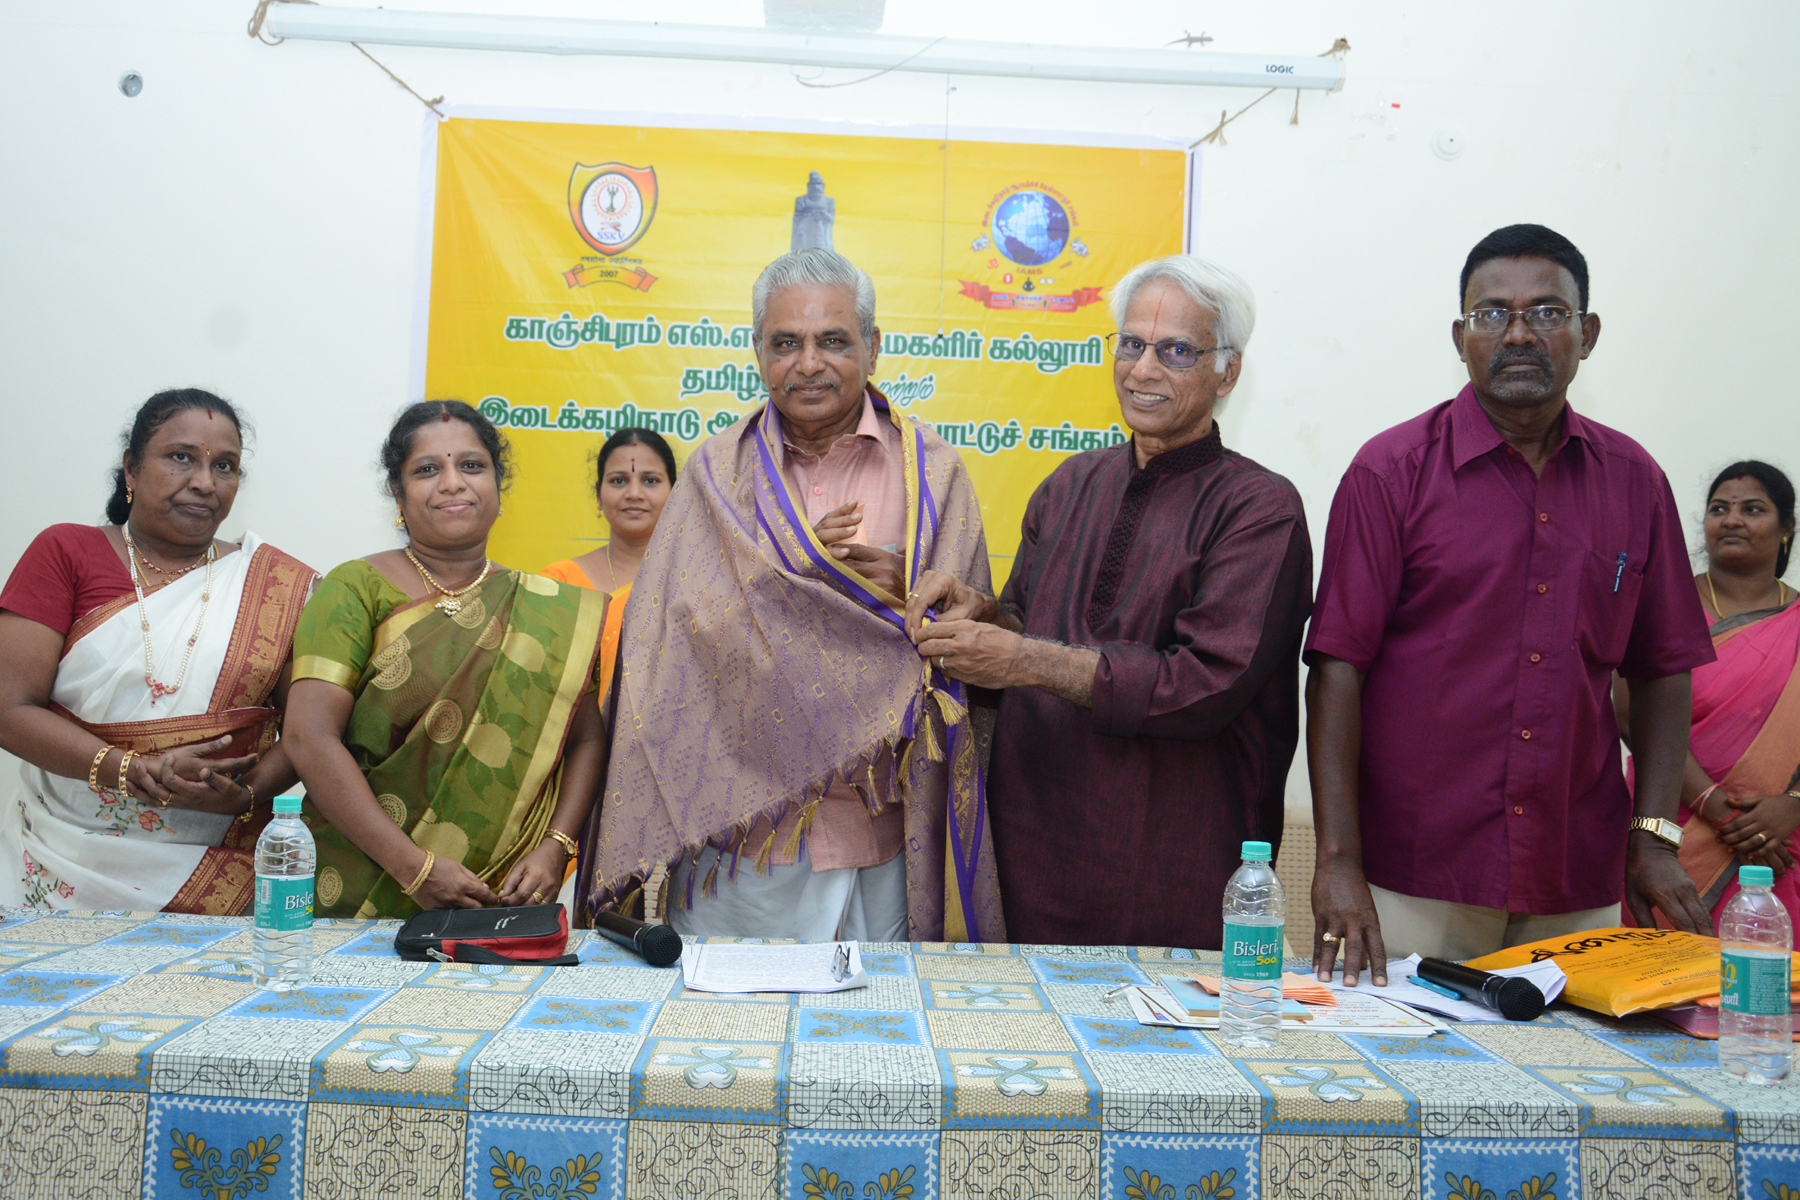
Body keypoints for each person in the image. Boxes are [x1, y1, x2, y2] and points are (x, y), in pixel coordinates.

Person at [1306, 224, 1716, 984]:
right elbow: (1336, 670)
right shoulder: (1390, 473)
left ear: (1588, 334)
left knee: (1573, 1062)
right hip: (1414, 873)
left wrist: (1654, 838)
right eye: (1492, 313)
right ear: (1459, 336)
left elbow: (1663, 671)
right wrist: (1336, 860)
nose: (1519, 334)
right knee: (1398, 1061)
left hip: (1576, 873)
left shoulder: (1635, 481)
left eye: (1548, 312)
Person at [580, 247, 1003, 943]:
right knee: (723, 1015)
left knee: (875, 1013)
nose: (808, 364)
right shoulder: (714, 475)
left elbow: (975, 648)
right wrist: (795, 576)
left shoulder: (933, 473)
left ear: (873, 347)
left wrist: (908, 597)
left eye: (832, 341)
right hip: (738, 841)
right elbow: (668, 649)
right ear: (757, 351)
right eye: (786, 343)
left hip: (879, 836)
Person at [909, 255, 1312, 950]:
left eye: (1176, 351)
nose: (1143, 370)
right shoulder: (1069, 485)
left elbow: (1203, 686)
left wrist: (1022, 659)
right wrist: (981, 615)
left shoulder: (1259, 508)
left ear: (1228, 373)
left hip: (1173, 862)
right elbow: (1028, 624)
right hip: (1033, 853)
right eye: (1131, 344)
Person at [284, 401, 610, 918]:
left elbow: (587, 739)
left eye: (472, 466)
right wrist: (413, 868)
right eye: (427, 470)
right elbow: (309, 737)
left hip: (498, 898)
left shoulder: (548, 611)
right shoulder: (355, 588)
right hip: (361, 884)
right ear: (398, 493)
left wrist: (556, 846)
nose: (453, 483)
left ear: (498, 487)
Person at [0, 389, 314, 913]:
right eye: (181, 457)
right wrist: (129, 769)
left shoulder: (275, 585)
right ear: (131, 467)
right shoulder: (66, 552)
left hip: (218, 868)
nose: (204, 482)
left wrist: (247, 794)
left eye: (225, 466)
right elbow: (10, 710)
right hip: (63, 860)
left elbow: (308, 731)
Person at [1618, 461, 1800, 926]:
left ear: (1787, 529)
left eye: (1752, 509)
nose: (1732, 519)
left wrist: (1793, 806)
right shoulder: (1662, 605)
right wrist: (1715, 807)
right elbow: (1629, 711)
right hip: (1665, 828)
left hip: (1779, 841)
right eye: (1719, 509)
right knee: (1657, 959)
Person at [541, 427, 677, 699]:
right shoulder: (560, 581)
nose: (634, 493)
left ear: (675, 493)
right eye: (619, 480)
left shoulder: (699, 581)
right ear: (598, 495)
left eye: (650, 480)